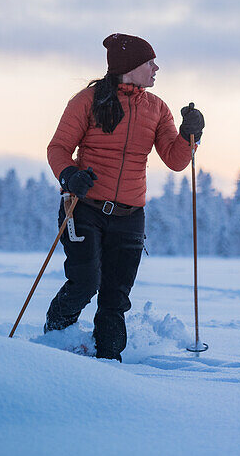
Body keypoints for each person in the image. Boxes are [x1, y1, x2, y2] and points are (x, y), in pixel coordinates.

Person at [44, 33, 204, 361]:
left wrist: (191, 135)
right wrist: (70, 176)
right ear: (130, 68)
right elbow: (58, 148)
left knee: (115, 298)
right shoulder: (87, 102)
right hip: (84, 207)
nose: (156, 68)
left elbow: (175, 161)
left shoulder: (157, 109)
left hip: (130, 216)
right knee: (85, 282)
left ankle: (109, 364)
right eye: (150, 62)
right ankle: (55, 341)